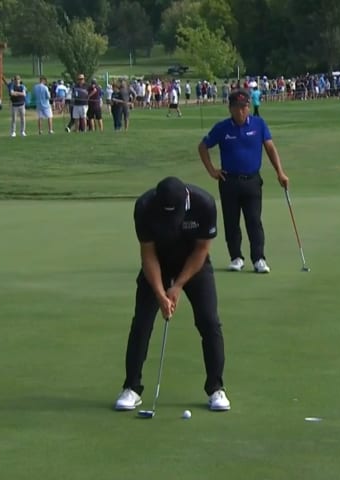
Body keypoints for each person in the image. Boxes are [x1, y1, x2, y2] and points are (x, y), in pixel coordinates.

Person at [114, 176, 231, 412]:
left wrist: (177, 286)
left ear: (185, 201)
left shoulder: (204, 204)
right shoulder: (145, 207)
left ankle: (216, 389)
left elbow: (201, 250)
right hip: (158, 262)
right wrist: (160, 293)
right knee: (142, 323)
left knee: (209, 322)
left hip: (193, 264)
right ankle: (132, 388)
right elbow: (148, 255)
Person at [198, 89, 289, 274]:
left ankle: (259, 259)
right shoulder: (222, 128)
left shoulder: (259, 124)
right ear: (230, 108)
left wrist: (280, 172)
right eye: (238, 108)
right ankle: (236, 257)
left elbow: (270, 148)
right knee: (231, 222)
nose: (242, 111)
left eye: (245, 107)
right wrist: (212, 171)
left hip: (252, 181)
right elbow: (203, 146)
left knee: (254, 221)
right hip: (228, 181)